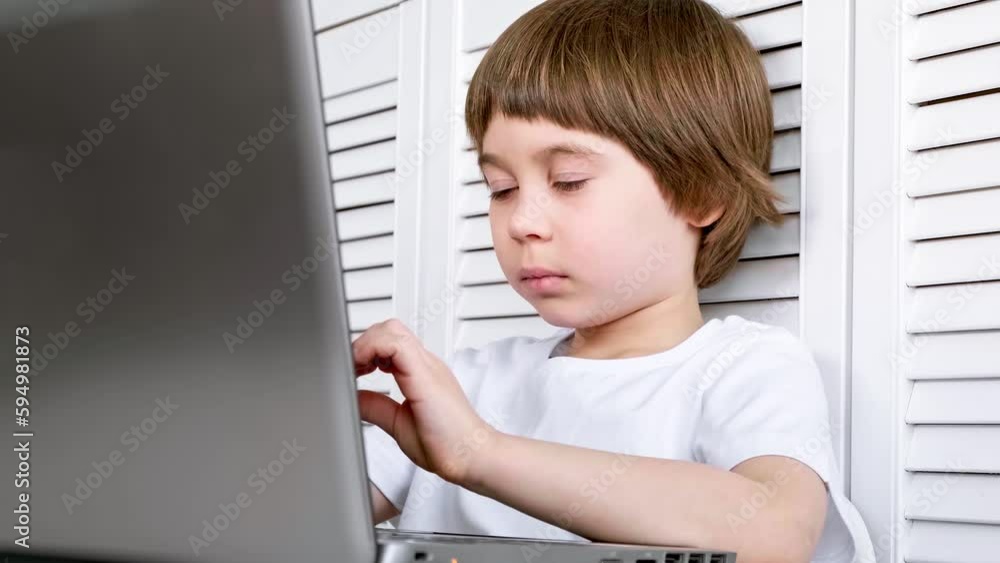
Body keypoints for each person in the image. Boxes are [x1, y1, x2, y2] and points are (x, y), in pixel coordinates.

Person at [351, 1, 875, 562]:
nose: (521, 222)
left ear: (700, 193)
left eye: (569, 181)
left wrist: (480, 453)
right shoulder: (471, 383)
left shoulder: (745, 368)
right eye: (501, 187)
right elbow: (295, 508)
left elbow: (773, 532)